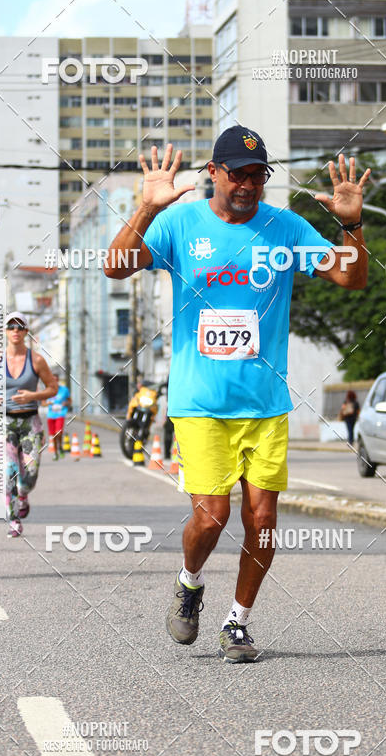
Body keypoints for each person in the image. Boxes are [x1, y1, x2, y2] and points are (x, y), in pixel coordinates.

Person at [105, 126, 369, 662]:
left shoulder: (285, 227)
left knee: (263, 521)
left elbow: (352, 278)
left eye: (257, 175)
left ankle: (238, 622)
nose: (248, 184)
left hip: (266, 403)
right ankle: (190, 581)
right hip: (200, 402)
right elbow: (115, 267)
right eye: (238, 174)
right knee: (211, 516)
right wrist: (146, 209)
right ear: (213, 172)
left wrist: (351, 226)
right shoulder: (180, 223)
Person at [3, 312, 57, 537]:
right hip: (4, 422)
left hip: (30, 422)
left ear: (26, 331)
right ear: (5, 331)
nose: (15, 330)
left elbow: (53, 388)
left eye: (20, 326)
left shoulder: (36, 360)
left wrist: (32, 396)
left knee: (30, 475)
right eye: (11, 326)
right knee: (9, 472)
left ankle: (23, 494)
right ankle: (14, 520)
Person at [45, 376, 71, 460]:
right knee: (53, 435)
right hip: (50, 415)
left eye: (56, 380)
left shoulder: (64, 390)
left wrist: (65, 403)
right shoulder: (47, 390)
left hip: (60, 414)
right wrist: (48, 403)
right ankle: (55, 452)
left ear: (58, 380)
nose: (54, 382)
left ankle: (60, 446)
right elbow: (42, 403)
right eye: (53, 380)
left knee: (58, 433)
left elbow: (69, 401)